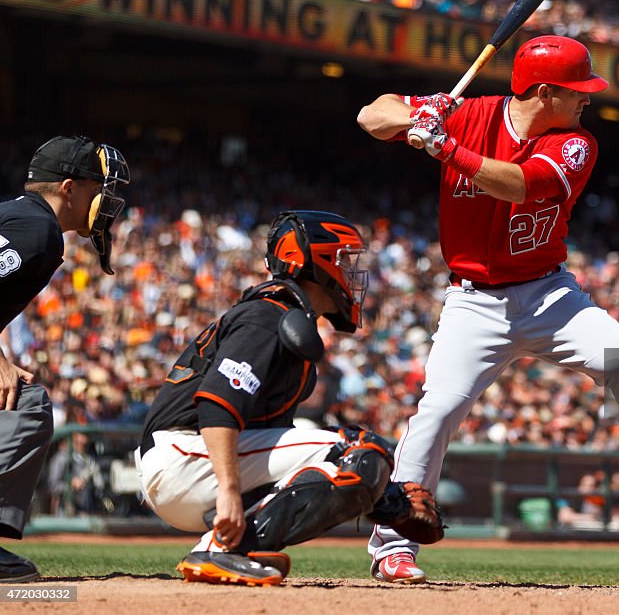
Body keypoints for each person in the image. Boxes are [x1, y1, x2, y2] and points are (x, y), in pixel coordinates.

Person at [357, 34, 619, 583]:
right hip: (474, 302)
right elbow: (368, 116)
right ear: (545, 92)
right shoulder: (469, 113)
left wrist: (443, 147)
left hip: (549, 296)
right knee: (438, 413)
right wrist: (418, 115)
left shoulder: (577, 144)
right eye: (578, 92)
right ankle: (394, 543)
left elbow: (520, 185)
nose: (586, 102)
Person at [136, 211, 443, 587]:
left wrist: (383, 499)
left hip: (189, 463)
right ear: (315, 260)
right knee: (359, 449)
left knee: (346, 457)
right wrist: (230, 493)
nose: (351, 273)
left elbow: (289, 461)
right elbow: (217, 402)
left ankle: (231, 548)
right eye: (343, 260)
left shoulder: (286, 318)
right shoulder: (268, 315)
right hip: (183, 455)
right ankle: (222, 549)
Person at [0, 134, 129, 582]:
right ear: (69, 188)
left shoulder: (16, 216)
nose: (106, 201)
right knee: (25, 405)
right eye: (97, 189)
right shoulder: (39, 228)